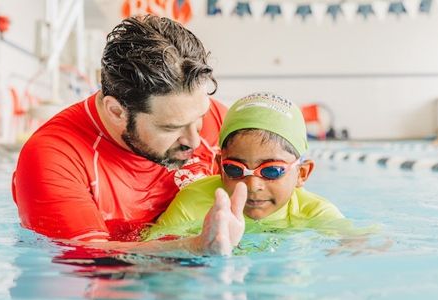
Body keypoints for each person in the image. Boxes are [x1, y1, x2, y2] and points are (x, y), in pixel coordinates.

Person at [12, 15, 245, 256]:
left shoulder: (214, 118)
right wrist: (194, 248)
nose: (195, 141)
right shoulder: (55, 158)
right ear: (116, 111)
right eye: (170, 128)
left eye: (199, 117)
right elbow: (88, 258)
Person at [143, 91, 344, 241]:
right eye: (235, 169)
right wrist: (196, 247)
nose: (253, 185)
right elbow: (149, 253)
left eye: (271, 170)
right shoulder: (194, 201)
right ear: (220, 167)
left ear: (301, 173)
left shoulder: (316, 213)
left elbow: (358, 246)